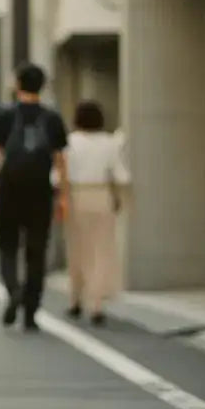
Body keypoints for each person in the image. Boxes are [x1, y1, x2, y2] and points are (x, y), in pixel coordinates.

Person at [0, 63, 68, 331]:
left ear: (18, 84)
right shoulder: (52, 118)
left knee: (7, 247)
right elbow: (60, 160)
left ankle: (14, 291)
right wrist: (63, 196)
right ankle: (30, 312)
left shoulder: (4, 115)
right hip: (40, 190)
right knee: (36, 251)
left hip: (9, 189)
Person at [64, 100, 130, 325]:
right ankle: (97, 304)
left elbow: (58, 175)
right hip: (102, 194)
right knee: (102, 250)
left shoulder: (70, 142)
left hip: (75, 195)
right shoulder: (110, 143)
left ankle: (75, 299)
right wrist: (119, 198)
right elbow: (121, 175)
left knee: (77, 249)